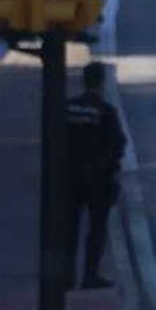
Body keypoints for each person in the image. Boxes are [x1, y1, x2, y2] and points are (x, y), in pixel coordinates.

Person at [66, 64, 125, 291]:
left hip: (70, 178)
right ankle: (90, 275)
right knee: (96, 229)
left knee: (68, 229)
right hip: (98, 181)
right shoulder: (106, 111)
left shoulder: (68, 108)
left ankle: (66, 276)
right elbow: (117, 144)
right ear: (101, 82)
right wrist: (107, 169)